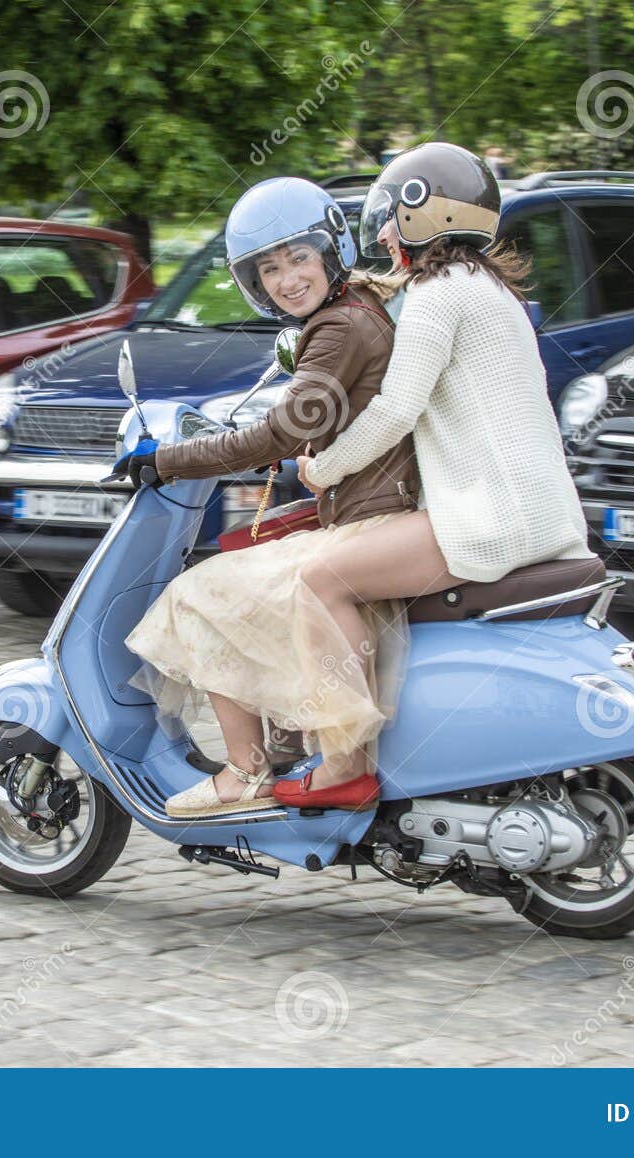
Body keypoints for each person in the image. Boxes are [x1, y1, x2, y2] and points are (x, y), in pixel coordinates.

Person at [287, 141, 594, 803]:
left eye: (394, 216)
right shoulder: (489, 290)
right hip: (547, 518)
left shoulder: (437, 294)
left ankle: (344, 766)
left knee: (320, 579)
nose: (386, 232)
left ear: (428, 214)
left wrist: (324, 469)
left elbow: (396, 408)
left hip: (490, 522)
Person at [121, 177, 420, 819]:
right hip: (367, 508)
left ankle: (246, 773)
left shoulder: (339, 329)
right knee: (246, 551)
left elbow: (285, 432)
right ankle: (283, 744)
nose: (287, 279)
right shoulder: (354, 311)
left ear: (330, 251)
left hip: (372, 518)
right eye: (270, 267)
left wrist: (165, 460)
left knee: (202, 593)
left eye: (299, 258)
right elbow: (308, 416)